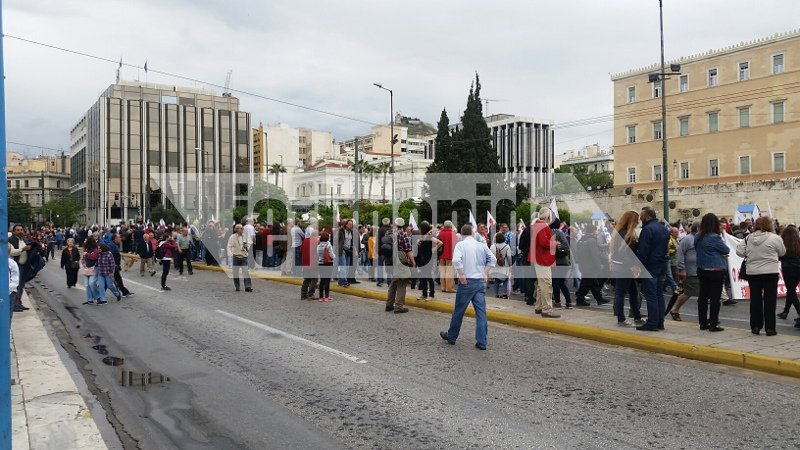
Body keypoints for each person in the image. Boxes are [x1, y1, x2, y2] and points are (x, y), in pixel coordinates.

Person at [440, 224, 497, 350]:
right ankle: (482, 341)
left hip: (467, 282)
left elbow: (456, 260)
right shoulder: (481, 245)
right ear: (472, 233)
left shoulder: (460, 245)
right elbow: (493, 259)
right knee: (481, 312)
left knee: (459, 311)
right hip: (480, 282)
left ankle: (452, 336)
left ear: (461, 234)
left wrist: (461, 274)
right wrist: (485, 272)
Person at [737, 216, 786, 335]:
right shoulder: (774, 238)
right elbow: (782, 252)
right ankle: (770, 328)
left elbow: (739, 252)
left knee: (755, 299)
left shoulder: (748, 238)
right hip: (770, 272)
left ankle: (755, 326)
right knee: (770, 301)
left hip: (753, 273)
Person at [636, 207, 670, 332]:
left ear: (647, 216)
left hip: (651, 265)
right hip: (661, 263)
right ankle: (660, 321)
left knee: (651, 295)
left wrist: (639, 266)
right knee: (659, 293)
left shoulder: (647, 230)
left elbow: (643, 250)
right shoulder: (663, 228)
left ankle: (652, 322)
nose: (640, 218)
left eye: (641, 216)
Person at [693, 214, 729, 332]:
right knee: (715, 298)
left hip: (701, 268)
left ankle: (703, 322)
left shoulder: (698, 236)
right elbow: (726, 250)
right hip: (715, 269)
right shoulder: (715, 237)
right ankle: (713, 323)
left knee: (703, 296)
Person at [610, 211, 644, 326]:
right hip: (624, 268)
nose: (638, 222)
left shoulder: (619, 232)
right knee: (622, 293)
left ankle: (635, 316)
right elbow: (625, 254)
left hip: (620, 266)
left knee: (631, 293)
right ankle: (622, 319)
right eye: (636, 220)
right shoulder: (626, 234)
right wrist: (633, 267)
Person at [529, 208, 560, 318]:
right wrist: (554, 243)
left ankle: (539, 307)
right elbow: (543, 242)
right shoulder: (542, 225)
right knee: (546, 284)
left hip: (539, 258)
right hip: (542, 259)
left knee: (541, 284)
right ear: (548, 216)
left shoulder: (537, 225)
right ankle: (547, 309)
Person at [668, 223, 700, 321]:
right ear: (697, 229)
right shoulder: (687, 239)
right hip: (690, 271)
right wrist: (682, 269)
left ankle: (705, 315)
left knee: (698, 293)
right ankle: (675, 309)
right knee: (688, 292)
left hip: (699, 270)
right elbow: (680, 254)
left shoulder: (700, 239)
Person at [574, 224, 608, 306]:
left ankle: (599, 299)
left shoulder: (581, 239)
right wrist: (599, 265)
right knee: (586, 284)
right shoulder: (592, 241)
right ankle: (580, 299)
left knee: (593, 283)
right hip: (590, 266)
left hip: (583, 265)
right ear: (593, 231)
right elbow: (594, 255)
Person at [385, 218, 414, 314]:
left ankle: (389, 304)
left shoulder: (389, 233)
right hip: (400, 259)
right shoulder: (402, 234)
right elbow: (408, 250)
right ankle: (398, 306)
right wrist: (413, 262)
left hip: (390, 260)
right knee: (402, 282)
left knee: (394, 282)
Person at [778, 225, 800, 321]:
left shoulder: (784, 244)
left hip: (788, 269)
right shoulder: (798, 243)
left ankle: (799, 311)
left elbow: (780, 256)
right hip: (798, 268)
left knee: (791, 291)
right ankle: (785, 311)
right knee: (791, 291)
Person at [416, 221, 441, 300]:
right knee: (423, 276)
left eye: (420, 228)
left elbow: (440, 243)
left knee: (429, 276)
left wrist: (434, 249)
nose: (419, 229)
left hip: (428, 258)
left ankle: (431, 294)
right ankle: (424, 294)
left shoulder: (430, 236)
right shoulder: (424, 236)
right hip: (422, 258)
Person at [550, 219, 573, 308]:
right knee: (562, 283)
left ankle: (557, 302)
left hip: (556, 261)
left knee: (555, 282)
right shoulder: (561, 233)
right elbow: (567, 246)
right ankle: (568, 302)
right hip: (564, 262)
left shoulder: (551, 233)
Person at [227, 224, 253, 292]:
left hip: (244, 256)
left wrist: (246, 246)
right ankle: (237, 286)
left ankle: (248, 287)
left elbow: (249, 244)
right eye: (241, 228)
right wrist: (231, 255)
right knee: (235, 273)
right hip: (236, 256)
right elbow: (229, 246)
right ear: (237, 229)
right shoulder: (232, 237)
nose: (242, 229)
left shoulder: (245, 236)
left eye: (242, 228)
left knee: (245, 271)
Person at [489, 232, 512, 298]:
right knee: (505, 279)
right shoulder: (507, 246)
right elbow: (509, 257)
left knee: (496, 279)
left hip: (495, 265)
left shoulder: (492, 246)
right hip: (504, 265)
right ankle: (505, 294)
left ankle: (496, 294)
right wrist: (510, 265)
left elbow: (490, 256)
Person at [110, 234, 133, 298]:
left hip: (115, 266)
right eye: (119, 237)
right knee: (110, 281)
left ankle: (124, 292)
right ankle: (99, 296)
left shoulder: (114, 245)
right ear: (115, 239)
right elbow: (111, 256)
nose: (120, 239)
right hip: (113, 266)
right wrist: (115, 265)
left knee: (117, 280)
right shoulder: (112, 246)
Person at [438, 221, 457, 293]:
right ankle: (449, 288)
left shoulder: (440, 233)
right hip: (450, 255)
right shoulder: (453, 234)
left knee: (442, 271)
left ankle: (443, 287)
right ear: (450, 226)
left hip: (441, 255)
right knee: (449, 271)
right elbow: (455, 245)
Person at [82, 236, 101, 305]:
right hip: (86, 268)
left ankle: (98, 296)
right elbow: (83, 258)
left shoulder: (95, 249)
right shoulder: (86, 249)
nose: (84, 241)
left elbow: (95, 257)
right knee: (87, 285)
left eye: (86, 240)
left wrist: (87, 254)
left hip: (94, 268)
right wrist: (83, 263)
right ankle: (90, 299)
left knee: (91, 283)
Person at [301, 230, 319, 300]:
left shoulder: (305, 240)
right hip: (313, 263)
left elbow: (301, 250)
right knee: (314, 279)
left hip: (305, 262)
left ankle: (303, 295)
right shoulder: (315, 242)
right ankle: (310, 294)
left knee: (306, 279)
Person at [317, 232, 335, 302]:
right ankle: (327, 296)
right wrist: (334, 257)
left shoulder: (318, 246)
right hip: (328, 263)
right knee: (327, 280)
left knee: (322, 280)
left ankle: (321, 297)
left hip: (320, 264)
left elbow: (317, 255)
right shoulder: (328, 245)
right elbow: (331, 255)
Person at [8, 245, 20, 319]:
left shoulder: (11, 263)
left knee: (8, 315)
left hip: (10, 292)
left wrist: (7, 290)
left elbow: (15, 280)